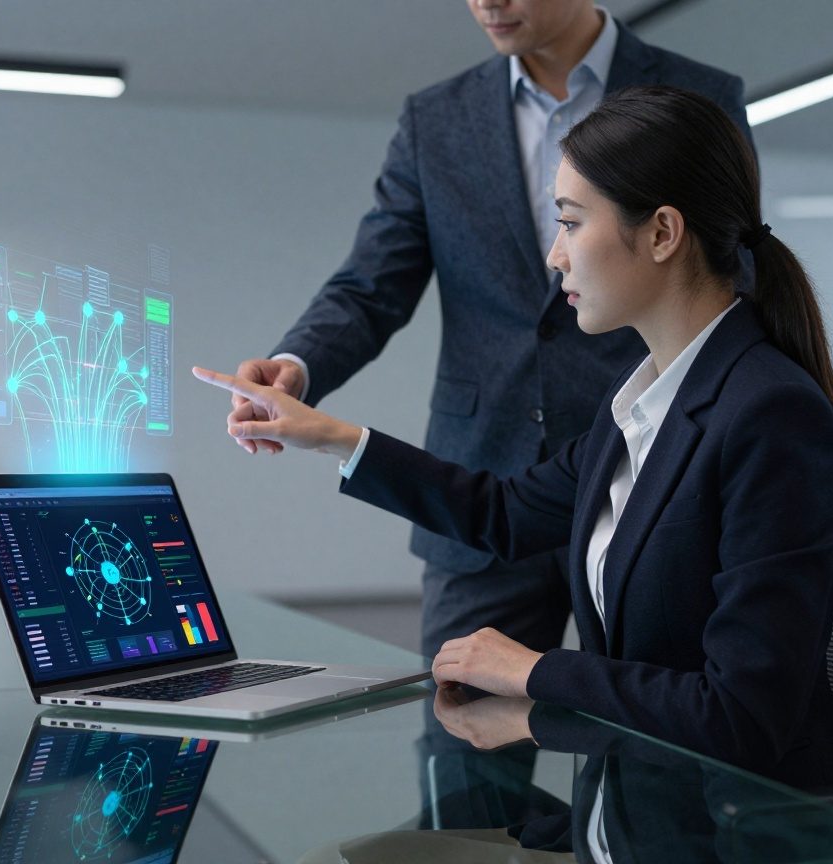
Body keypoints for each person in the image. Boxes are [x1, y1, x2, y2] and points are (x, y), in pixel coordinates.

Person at [194, 85, 833, 787]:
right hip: (638, 808)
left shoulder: (768, 416)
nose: (555, 255)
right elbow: (503, 513)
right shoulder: (639, 407)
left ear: (664, 233)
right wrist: (332, 437)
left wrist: (537, 675)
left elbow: (740, 717)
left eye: (572, 223)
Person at [224, 0, 753, 661]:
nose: (485, 3)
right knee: (459, 732)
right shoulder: (435, 119)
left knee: (656, 732)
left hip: (648, 467)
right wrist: (297, 367)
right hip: (484, 472)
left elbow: (730, 276)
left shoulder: (698, 95)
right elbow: (372, 282)